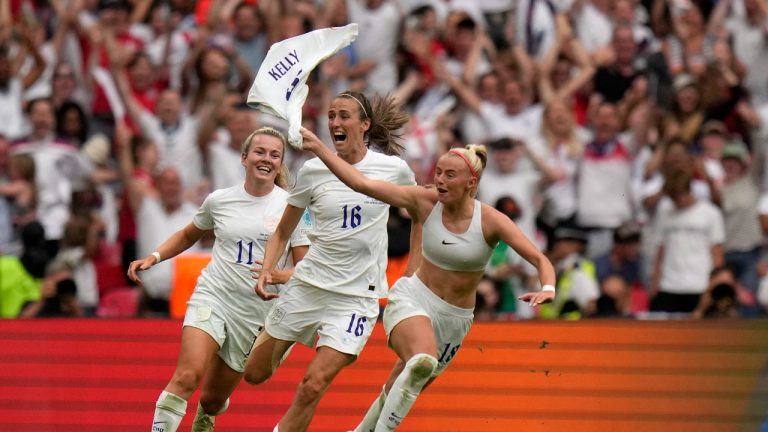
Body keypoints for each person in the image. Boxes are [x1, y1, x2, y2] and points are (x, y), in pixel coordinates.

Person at [297, 132, 556, 431]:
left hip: (455, 320)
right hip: (414, 298)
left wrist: (548, 288)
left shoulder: (490, 220)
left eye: (450, 175)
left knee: (400, 384)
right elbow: (361, 183)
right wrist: (319, 147)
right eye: (438, 173)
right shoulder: (423, 201)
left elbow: (540, 260)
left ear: (471, 182)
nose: (440, 181)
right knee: (421, 360)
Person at [242, 91, 417, 432]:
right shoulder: (311, 171)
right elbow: (283, 230)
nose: (335, 122)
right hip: (307, 286)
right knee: (254, 373)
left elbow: (422, 213)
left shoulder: (393, 170)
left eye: (344, 116)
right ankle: (290, 336)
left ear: (364, 125)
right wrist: (266, 270)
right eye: (331, 116)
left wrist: (414, 272)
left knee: (312, 385)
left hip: (355, 299)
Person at [127, 127, 311, 432]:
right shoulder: (220, 200)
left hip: (255, 315)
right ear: (244, 158)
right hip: (214, 296)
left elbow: (306, 266)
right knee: (187, 376)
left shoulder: (291, 207)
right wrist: (155, 257)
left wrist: (279, 274)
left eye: (274, 154)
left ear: (280, 163)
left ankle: (206, 416)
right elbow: (189, 233)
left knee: (212, 400)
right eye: (260, 152)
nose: (266, 159)